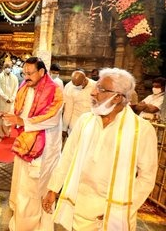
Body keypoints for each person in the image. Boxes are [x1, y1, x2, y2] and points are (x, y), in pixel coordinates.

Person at [42, 68, 158, 231]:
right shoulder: (85, 121)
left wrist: (119, 210)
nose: (93, 92)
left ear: (118, 97)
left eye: (101, 89)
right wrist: (53, 189)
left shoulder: (142, 130)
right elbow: (67, 157)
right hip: (78, 209)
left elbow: (147, 177)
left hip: (112, 214)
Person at [2, 57, 63, 231]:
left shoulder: (54, 90)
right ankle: (19, 223)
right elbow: (18, 110)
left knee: (34, 191)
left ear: (42, 72)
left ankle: (35, 227)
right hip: (24, 144)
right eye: (24, 73)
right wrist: (10, 119)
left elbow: (52, 119)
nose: (26, 77)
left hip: (43, 150)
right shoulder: (24, 88)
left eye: (29, 73)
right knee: (21, 185)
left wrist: (22, 121)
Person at [62, 69, 96, 137]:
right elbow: (68, 110)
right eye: (74, 85)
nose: (76, 87)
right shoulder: (70, 88)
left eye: (79, 85)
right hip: (74, 124)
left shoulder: (95, 86)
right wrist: (64, 128)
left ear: (84, 80)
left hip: (90, 123)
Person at [0, 61, 19, 142]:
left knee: (8, 119)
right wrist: (5, 98)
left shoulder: (15, 78)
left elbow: (16, 89)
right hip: (0, 101)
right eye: (6, 67)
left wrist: (11, 98)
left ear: (11, 68)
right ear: (3, 68)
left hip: (10, 102)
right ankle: (1, 135)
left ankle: (7, 132)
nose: (7, 69)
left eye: (9, 67)